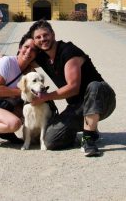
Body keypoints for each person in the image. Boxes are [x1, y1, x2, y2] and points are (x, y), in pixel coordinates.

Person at [30, 20, 116, 157]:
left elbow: (73, 88)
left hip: (102, 99)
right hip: (78, 106)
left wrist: (45, 97)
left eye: (45, 35)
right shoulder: (43, 57)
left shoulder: (68, 51)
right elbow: (22, 60)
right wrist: (3, 59)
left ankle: (88, 139)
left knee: (94, 85)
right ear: (34, 41)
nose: (43, 39)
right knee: (50, 140)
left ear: (53, 34)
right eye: (38, 37)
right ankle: (88, 127)